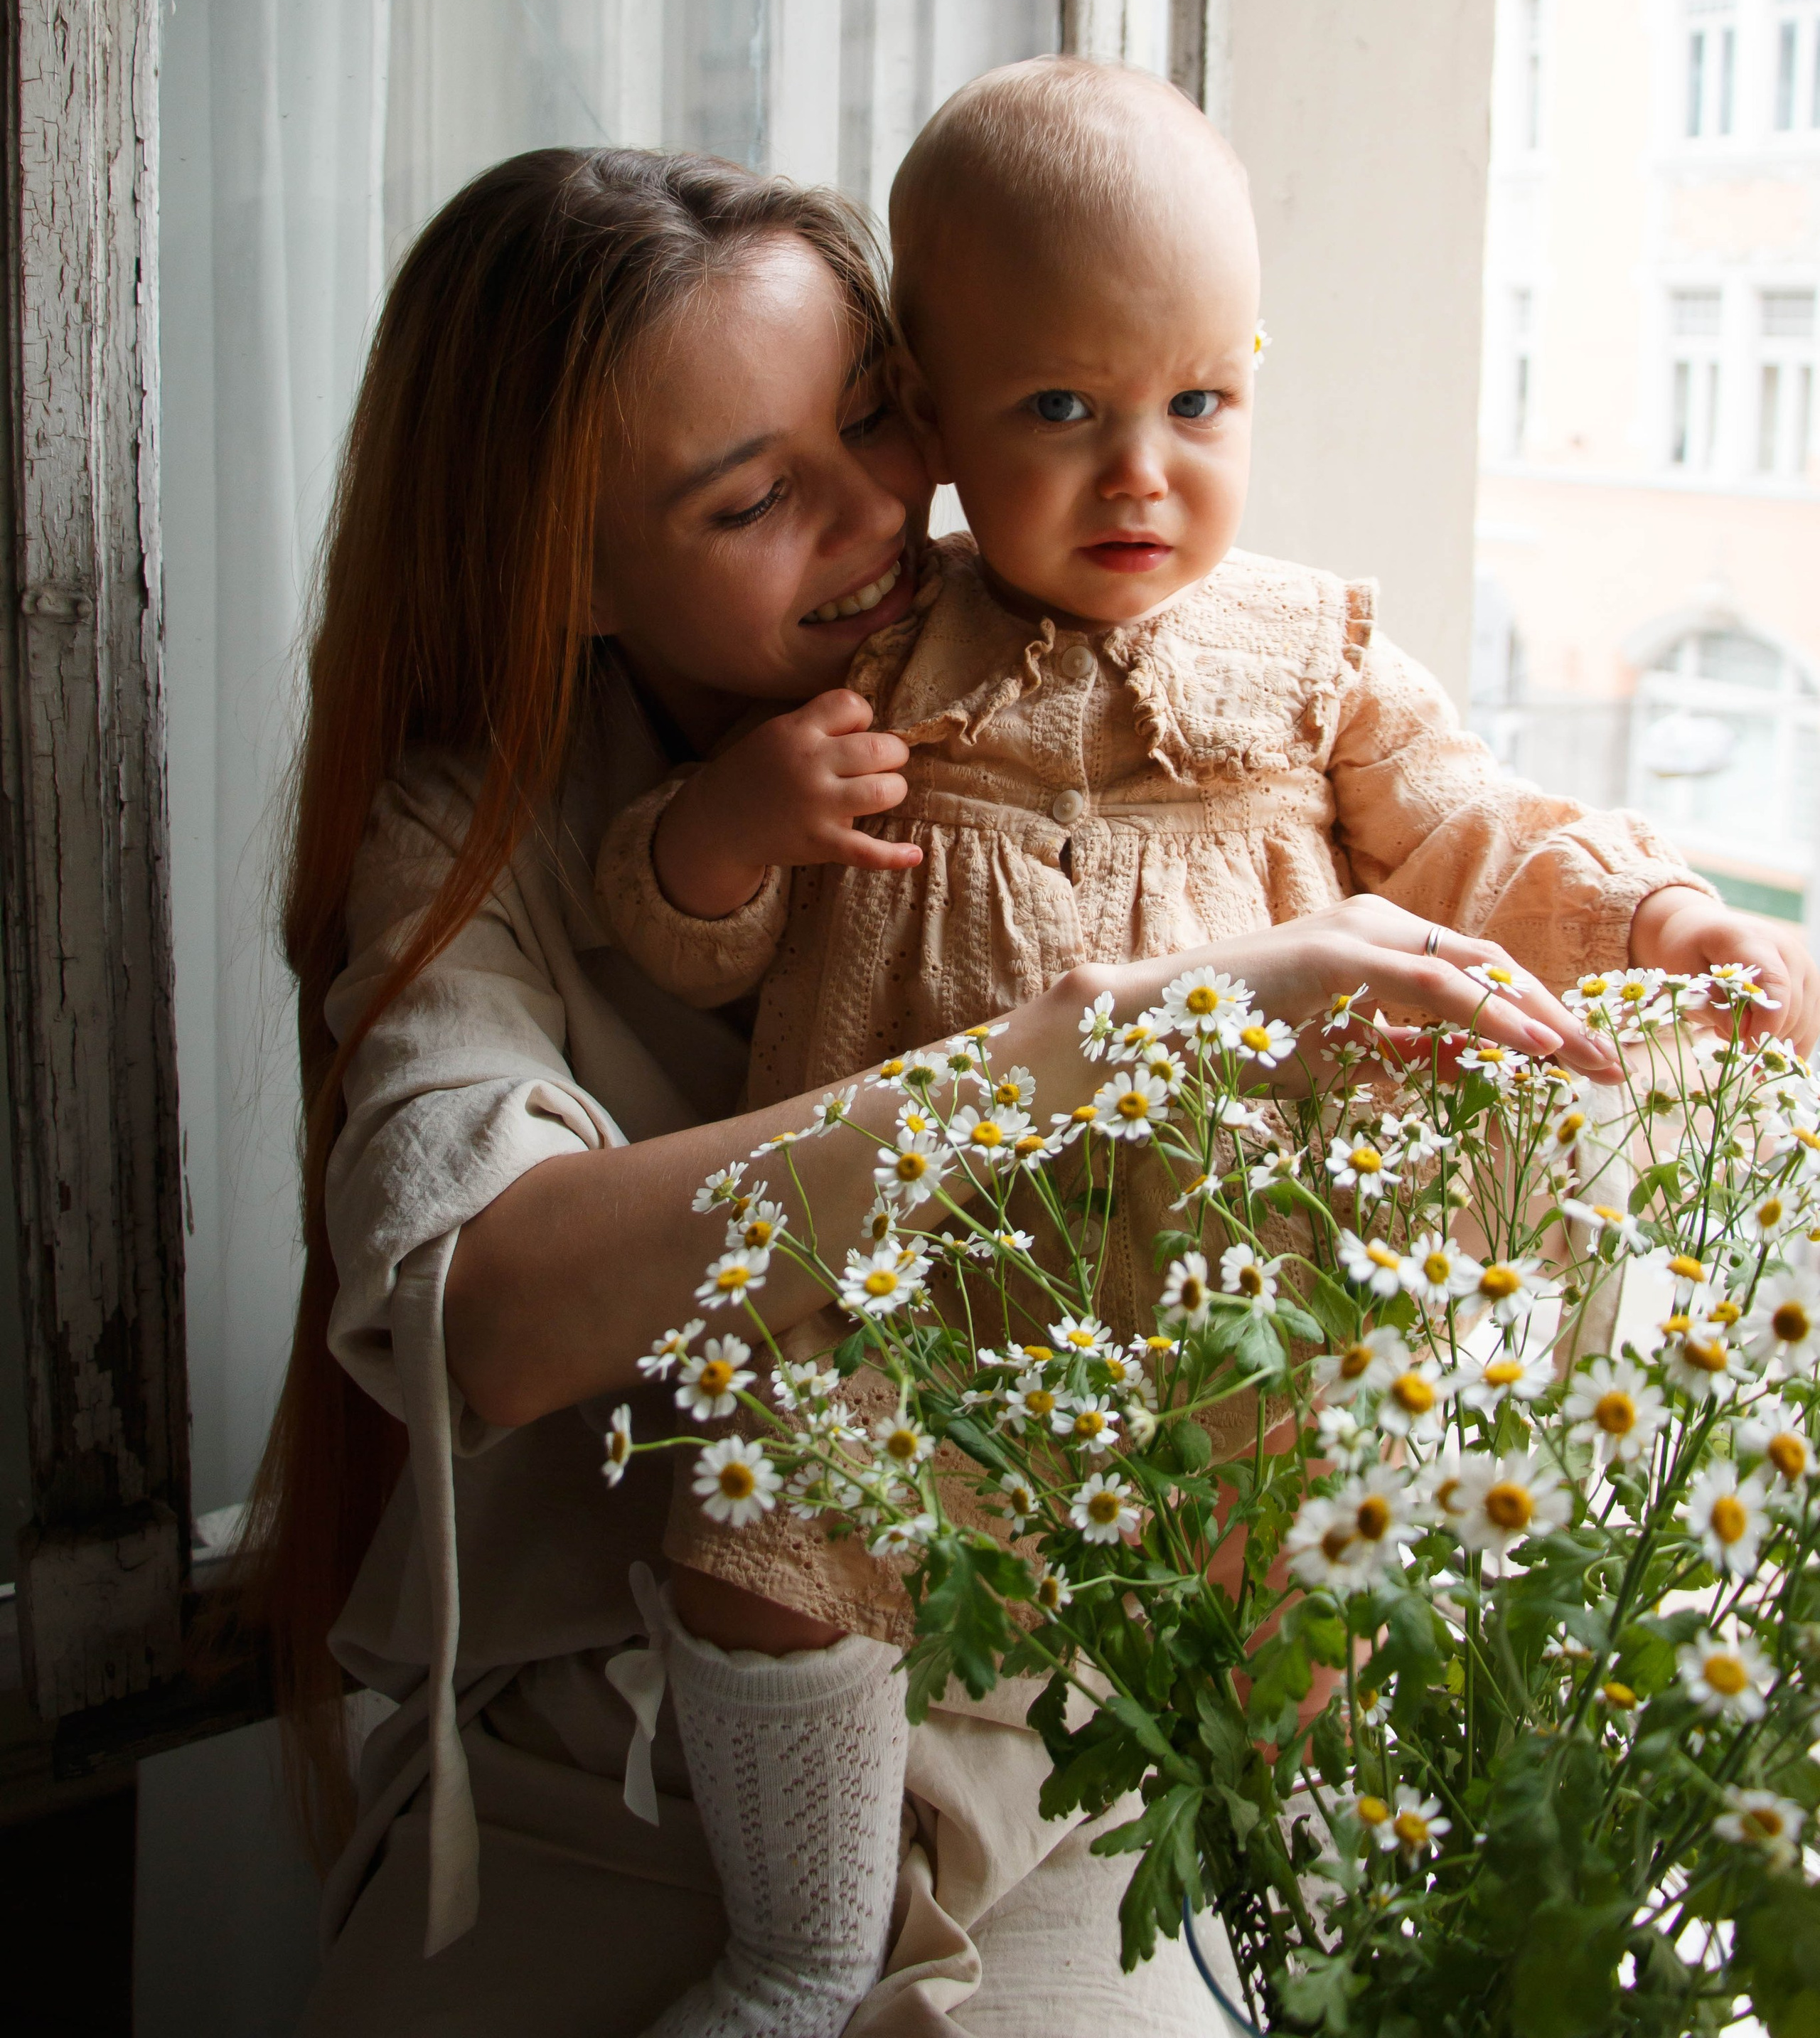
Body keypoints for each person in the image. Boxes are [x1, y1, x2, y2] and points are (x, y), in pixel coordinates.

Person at [254, 142, 1596, 2038]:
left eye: (880, 413)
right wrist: (1080, 1053)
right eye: (755, 501)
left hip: (1051, 1765)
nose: (885, 510)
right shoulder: (472, 842)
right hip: (611, 1796)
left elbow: (1485, 838)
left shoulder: (1153, 693)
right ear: (563, 573)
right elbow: (496, 1313)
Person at [595, 58, 1820, 2038]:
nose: (1141, 471)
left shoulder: (1313, 650)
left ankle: (1320, 1936)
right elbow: (683, 941)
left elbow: (1469, 832)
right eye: (1060, 411)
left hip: (1226, 1295)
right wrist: (733, 824)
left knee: (1310, 1584)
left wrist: (1652, 913)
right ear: (927, 414)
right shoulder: (880, 657)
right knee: (770, 1538)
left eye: (1197, 404)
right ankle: (806, 1946)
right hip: (930, 1275)